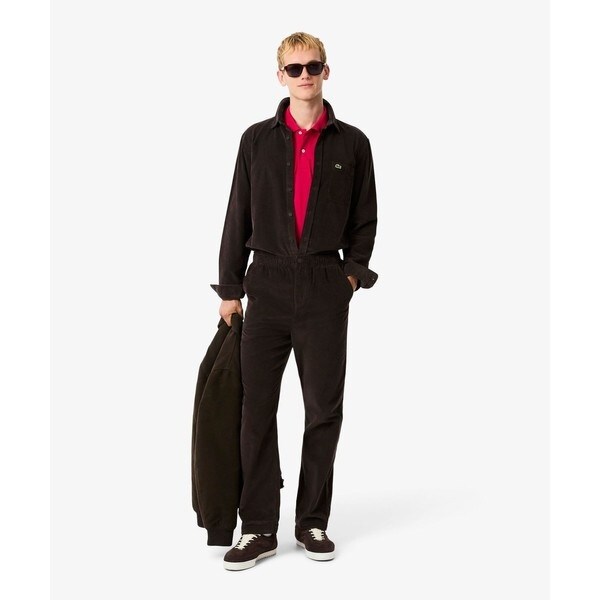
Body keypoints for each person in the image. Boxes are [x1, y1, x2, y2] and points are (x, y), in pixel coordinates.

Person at [209, 31, 379, 571]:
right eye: (295, 68)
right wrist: (230, 288)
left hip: (325, 284)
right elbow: (237, 213)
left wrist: (348, 279)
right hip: (267, 283)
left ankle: (311, 521)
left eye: (313, 66)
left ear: (326, 71)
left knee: (323, 409)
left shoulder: (353, 144)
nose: (305, 76)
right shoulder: (256, 140)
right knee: (255, 409)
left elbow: (365, 220)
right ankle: (258, 527)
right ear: (280, 75)